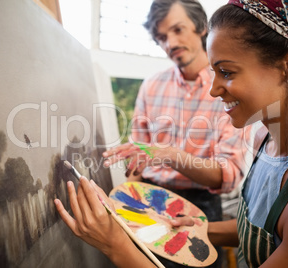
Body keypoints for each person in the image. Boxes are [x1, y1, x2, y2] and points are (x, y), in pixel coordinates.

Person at [54, 0, 288, 267]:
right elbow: (262, 226)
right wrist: (204, 229)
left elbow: (228, 177)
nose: (213, 89)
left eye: (227, 73)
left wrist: (116, 245)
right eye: (161, 37)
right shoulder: (266, 140)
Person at [102, 1, 250, 266]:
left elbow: (226, 176)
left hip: (201, 205)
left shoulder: (229, 87)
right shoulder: (152, 86)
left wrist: (170, 156)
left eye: (177, 30)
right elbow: (139, 153)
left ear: (202, 27)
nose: (170, 43)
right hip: (147, 198)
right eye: (161, 37)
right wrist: (127, 195)